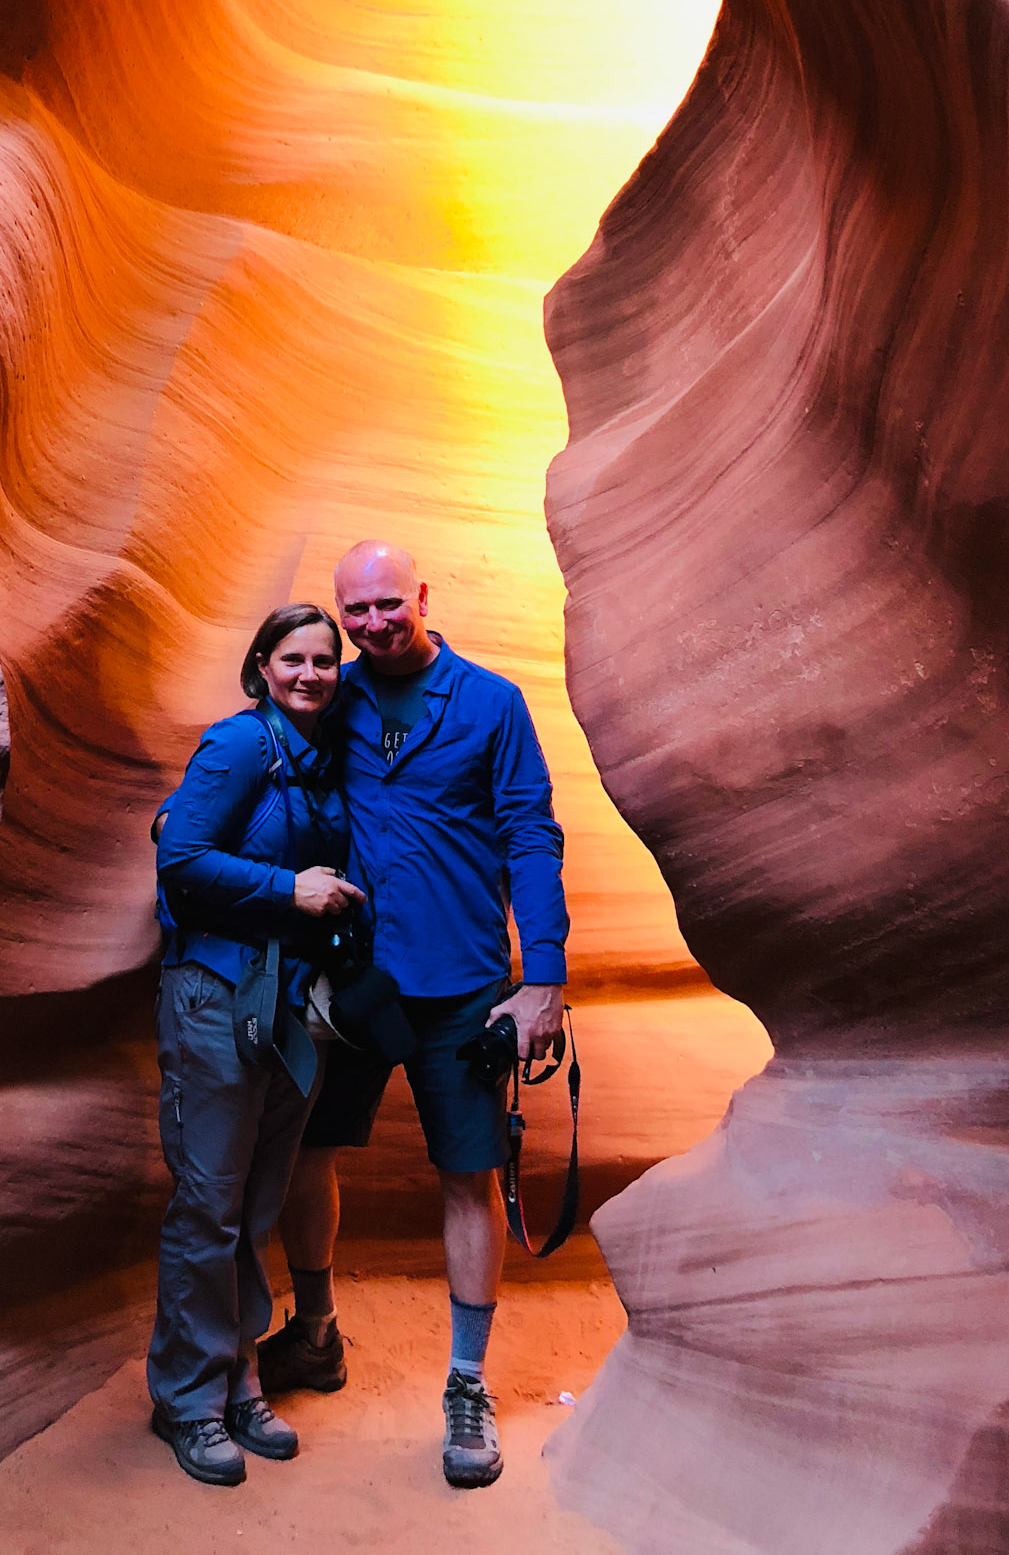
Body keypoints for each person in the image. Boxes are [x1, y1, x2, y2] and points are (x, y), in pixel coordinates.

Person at [257, 542, 569, 1490]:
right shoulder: (330, 696)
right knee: (309, 1154)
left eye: (389, 603)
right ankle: (315, 1334)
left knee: (467, 1178)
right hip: (352, 987)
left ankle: (466, 1383)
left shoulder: (491, 704)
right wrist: (183, 819)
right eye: (357, 611)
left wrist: (544, 979)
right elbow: (254, 755)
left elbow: (530, 832)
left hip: (465, 990)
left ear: (423, 597)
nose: (373, 624)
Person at [147, 602, 365, 1487]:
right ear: (262, 665)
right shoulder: (242, 746)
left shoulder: (323, 761)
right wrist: (289, 889)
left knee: (255, 1204)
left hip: (289, 1007)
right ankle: (186, 1401)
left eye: (324, 661)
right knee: (209, 1206)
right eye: (294, 659)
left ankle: (235, 1375)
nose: (311, 674)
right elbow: (181, 858)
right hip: (216, 998)